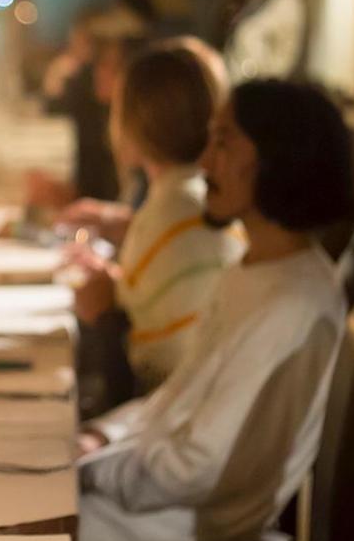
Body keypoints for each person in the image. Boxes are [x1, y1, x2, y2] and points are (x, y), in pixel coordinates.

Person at [77, 79, 354, 541]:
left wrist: (92, 473)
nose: (204, 163)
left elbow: (198, 468)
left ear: (280, 157)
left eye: (223, 142)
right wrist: (102, 437)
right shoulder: (255, 269)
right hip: (144, 512)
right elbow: (176, 401)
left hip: (166, 540)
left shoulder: (294, 305)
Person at [69, 40, 243, 408]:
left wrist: (103, 313)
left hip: (174, 409)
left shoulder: (172, 208)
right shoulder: (193, 196)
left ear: (131, 125)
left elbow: (153, 366)